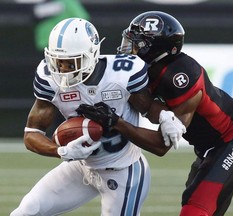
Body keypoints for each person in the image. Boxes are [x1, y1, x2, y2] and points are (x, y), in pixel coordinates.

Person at [76, 11, 233, 216]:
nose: (128, 48)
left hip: (232, 142)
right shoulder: (142, 71)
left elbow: (162, 145)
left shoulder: (182, 75)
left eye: (137, 44)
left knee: (194, 208)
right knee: (195, 203)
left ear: (156, 49)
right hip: (207, 149)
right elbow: (149, 110)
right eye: (129, 41)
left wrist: (117, 123)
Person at [10, 17, 184, 216]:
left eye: (70, 62)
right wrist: (62, 152)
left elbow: (147, 107)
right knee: (26, 211)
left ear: (92, 54)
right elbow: (31, 134)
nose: (63, 69)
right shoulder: (49, 78)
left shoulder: (121, 74)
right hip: (80, 167)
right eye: (58, 61)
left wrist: (165, 115)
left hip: (124, 171)